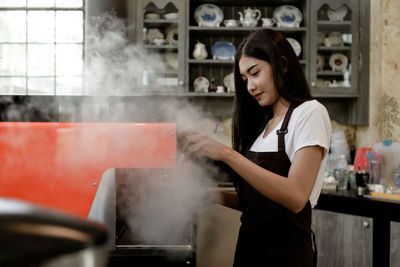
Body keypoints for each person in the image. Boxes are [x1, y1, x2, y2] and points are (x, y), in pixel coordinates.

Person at [182, 29, 331, 267]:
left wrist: (226, 154)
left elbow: (295, 197)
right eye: (244, 79)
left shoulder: (309, 112)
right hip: (249, 251)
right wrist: (213, 196)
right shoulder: (264, 125)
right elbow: (260, 204)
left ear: (281, 65)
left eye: (255, 73)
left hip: (285, 255)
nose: (250, 87)